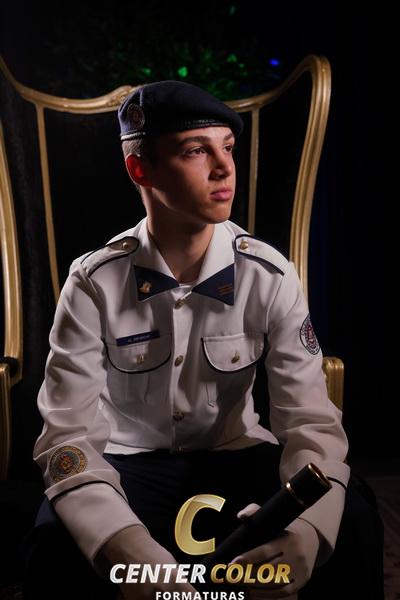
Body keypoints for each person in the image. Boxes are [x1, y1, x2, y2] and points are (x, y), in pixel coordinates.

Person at [23, 81, 382, 600]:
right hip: (127, 466)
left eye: (228, 148)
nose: (223, 168)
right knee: (56, 544)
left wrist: (307, 534)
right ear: (140, 169)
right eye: (196, 151)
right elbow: (66, 437)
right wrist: (125, 548)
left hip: (237, 458)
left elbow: (311, 423)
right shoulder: (93, 281)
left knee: (352, 520)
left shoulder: (270, 274)